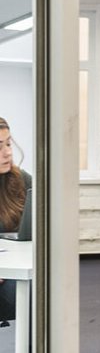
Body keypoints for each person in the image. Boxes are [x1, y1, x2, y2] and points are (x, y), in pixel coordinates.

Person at [0, 117, 32, 323]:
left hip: (16, 269)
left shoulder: (20, 179)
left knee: (45, 292)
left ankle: (36, 345)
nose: (8, 153)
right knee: (30, 297)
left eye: (9, 144)